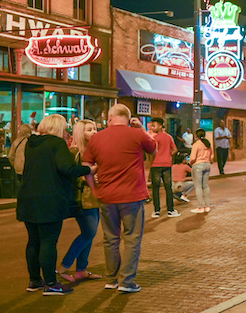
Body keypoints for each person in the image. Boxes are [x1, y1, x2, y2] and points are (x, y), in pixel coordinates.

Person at [82, 104, 156, 294]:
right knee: (132, 238)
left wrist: (95, 189)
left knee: (111, 238)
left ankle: (111, 278)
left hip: (106, 196)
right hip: (132, 195)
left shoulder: (97, 138)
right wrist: (140, 128)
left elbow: (86, 167)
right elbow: (153, 149)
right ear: (128, 117)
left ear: (110, 117)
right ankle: (127, 281)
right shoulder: (137, 135)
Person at [17, 114, 93, 296]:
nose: (66, 131)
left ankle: (35, 280)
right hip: (49, 200)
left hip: (28, 198)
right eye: (64, 128)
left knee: (33, 241)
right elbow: (68, 169)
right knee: (48, 242)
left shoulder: (31, 144)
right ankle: (51, 283)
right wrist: (89, 169)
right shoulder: (56, 144)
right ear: (58, 128)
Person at [58, 119, 103, 283]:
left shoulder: (92, 150)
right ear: (80, 133)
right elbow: (70, 175)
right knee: (89, 232)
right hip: (82, 198)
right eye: (89, 130)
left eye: (95, 129)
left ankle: (81, 269)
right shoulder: (75, 152)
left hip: (93, 197)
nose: (94, 132)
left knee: (90, 234)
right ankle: (64, 266)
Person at [148, 117, 180, 218]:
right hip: (167, 164)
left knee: (156, 188)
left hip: (156, 165)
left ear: (161, 126)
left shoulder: (154, 139)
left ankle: (156, 210)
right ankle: (170, 209)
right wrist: (168, 155)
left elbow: (151, 152)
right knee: (168, 187)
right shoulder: (169, 137)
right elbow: (175, 149)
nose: (152, 128)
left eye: (154, 125)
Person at [189, 130, 214, 213]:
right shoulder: (208, 144)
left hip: (198, 165)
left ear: (196, 136)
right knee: (206, 186)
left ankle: (200, 206)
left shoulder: (196, 144)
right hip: (207, 164)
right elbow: (212, 156)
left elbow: (192, 157)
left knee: (198, 186)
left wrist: (190, 163)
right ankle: (207, 206)